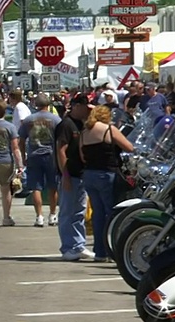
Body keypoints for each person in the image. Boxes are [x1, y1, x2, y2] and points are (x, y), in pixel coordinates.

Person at [80, 106, 134, 262]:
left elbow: (83, 157)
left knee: (98, 214)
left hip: (89, 174)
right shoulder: (109, 129)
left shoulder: (84, 133)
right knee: (112, 213)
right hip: (106, 173)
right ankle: (112, 250)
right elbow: (129, 147)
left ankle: (99, 252)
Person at [55, 93, 95, 261]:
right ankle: (67, 247)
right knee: (67, 212)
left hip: (80, 174)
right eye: (85, 107)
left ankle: (78, 244)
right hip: (69, 174)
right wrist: (65, 175)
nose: (87, 110)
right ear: (77, 106)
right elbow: (61, 151)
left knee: (79, 211)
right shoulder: (66, 125)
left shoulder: (81, 124)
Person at [19, 94, 60, 227]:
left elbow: (21, 139)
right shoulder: (55, 119)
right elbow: (61, 139)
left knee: (36, 187)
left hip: (34, 154)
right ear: (48, 104)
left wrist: (23, 155)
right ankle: (53, 215)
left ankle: (39, 216)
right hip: (51, 155)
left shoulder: (28, 120)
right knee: (53, 186)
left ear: (36, 104)